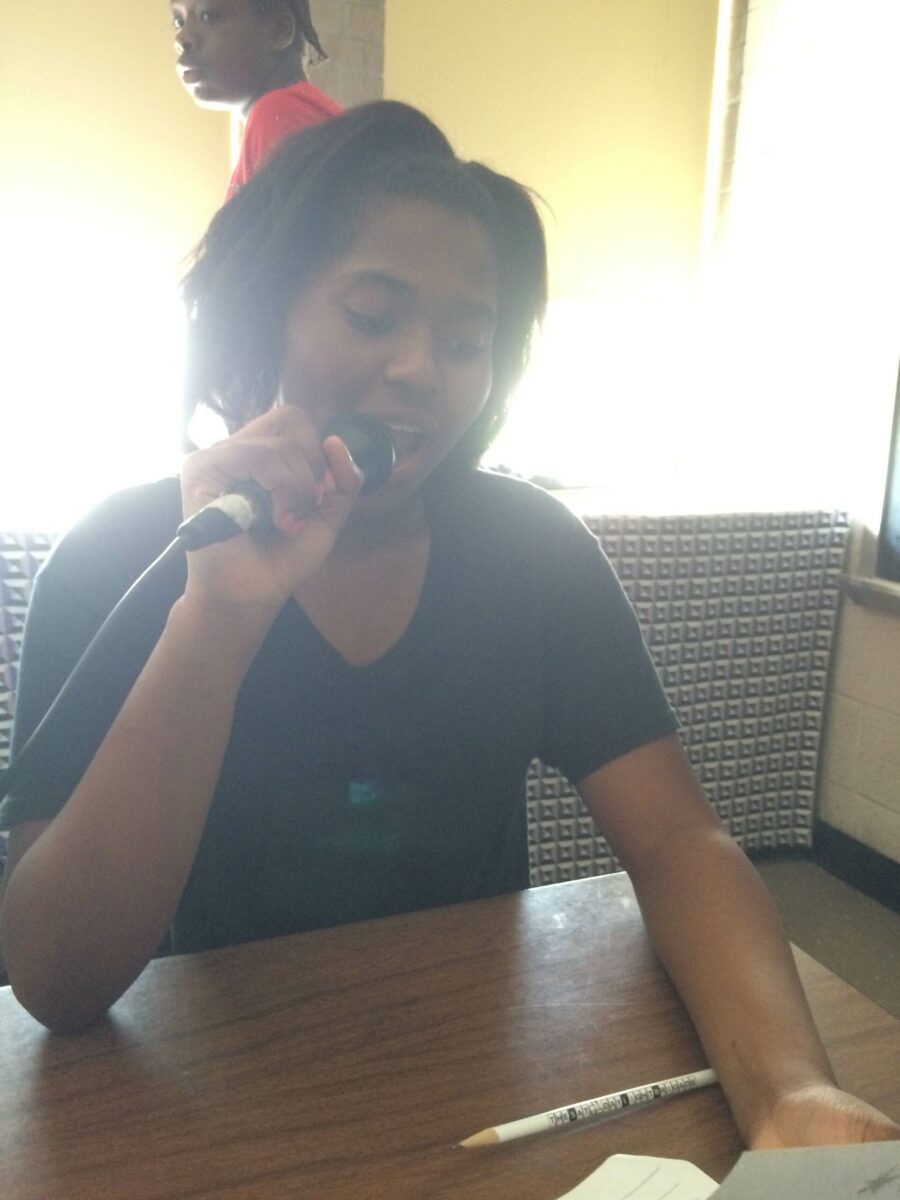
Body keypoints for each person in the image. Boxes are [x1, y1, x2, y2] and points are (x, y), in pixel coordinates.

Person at [0, 102, 896, 1155]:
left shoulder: (531, 550)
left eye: (467, 340)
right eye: (374, 317)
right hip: (204, 1090)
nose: (424, 369)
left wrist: (789, 1088)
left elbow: (678, 840)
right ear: (265, 317)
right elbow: (55, 978)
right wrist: (217, 622)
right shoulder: (124, 554)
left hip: (481, 1072)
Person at [172, 0, 341, 199]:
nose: (182, 38)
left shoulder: (282, 112)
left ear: (279, 31)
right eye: (179, 22)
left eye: (209, 16)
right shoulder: (295, 111)